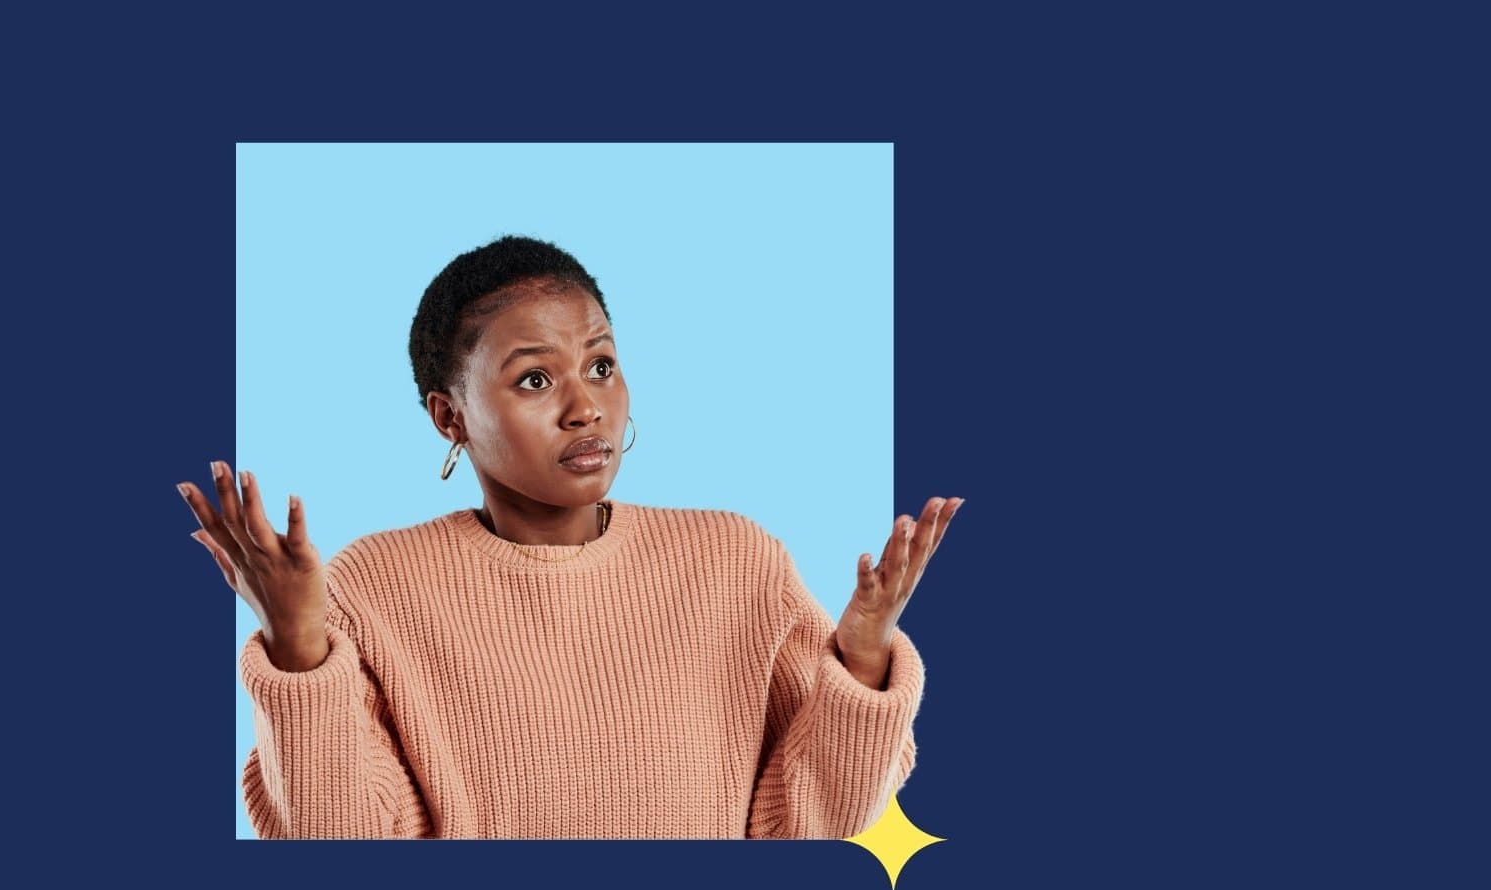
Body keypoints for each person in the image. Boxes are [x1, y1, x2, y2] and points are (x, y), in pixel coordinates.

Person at [181, 235, 963, 839]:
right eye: (535, 378)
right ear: (450, 417)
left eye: (601, 365)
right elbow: (343, 842)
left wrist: (862, 660)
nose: (586, 407)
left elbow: (810, 828)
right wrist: (297, 648)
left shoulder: (735, 561)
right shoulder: (377, 585)